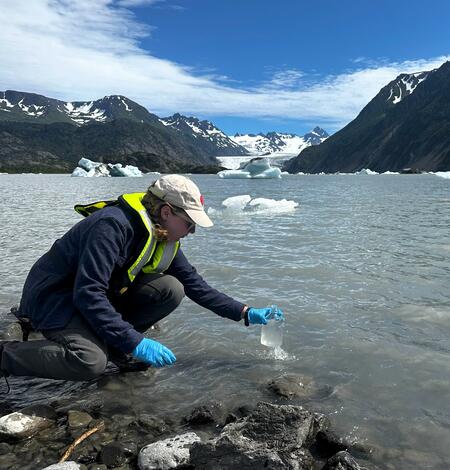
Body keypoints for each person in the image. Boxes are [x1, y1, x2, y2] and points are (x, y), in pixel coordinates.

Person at [0, 175, 284, 383]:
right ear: (166, 212)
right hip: (55, 299)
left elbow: (196, 286)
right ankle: (6, 357)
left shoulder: (164, 237)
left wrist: (246, 313)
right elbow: (88, 293)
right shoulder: (111, 226)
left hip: (89, 297)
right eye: (189, 223)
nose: (191, 231)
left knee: (171, 288)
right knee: (89, 363)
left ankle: (115, 347)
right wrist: (135, 341)